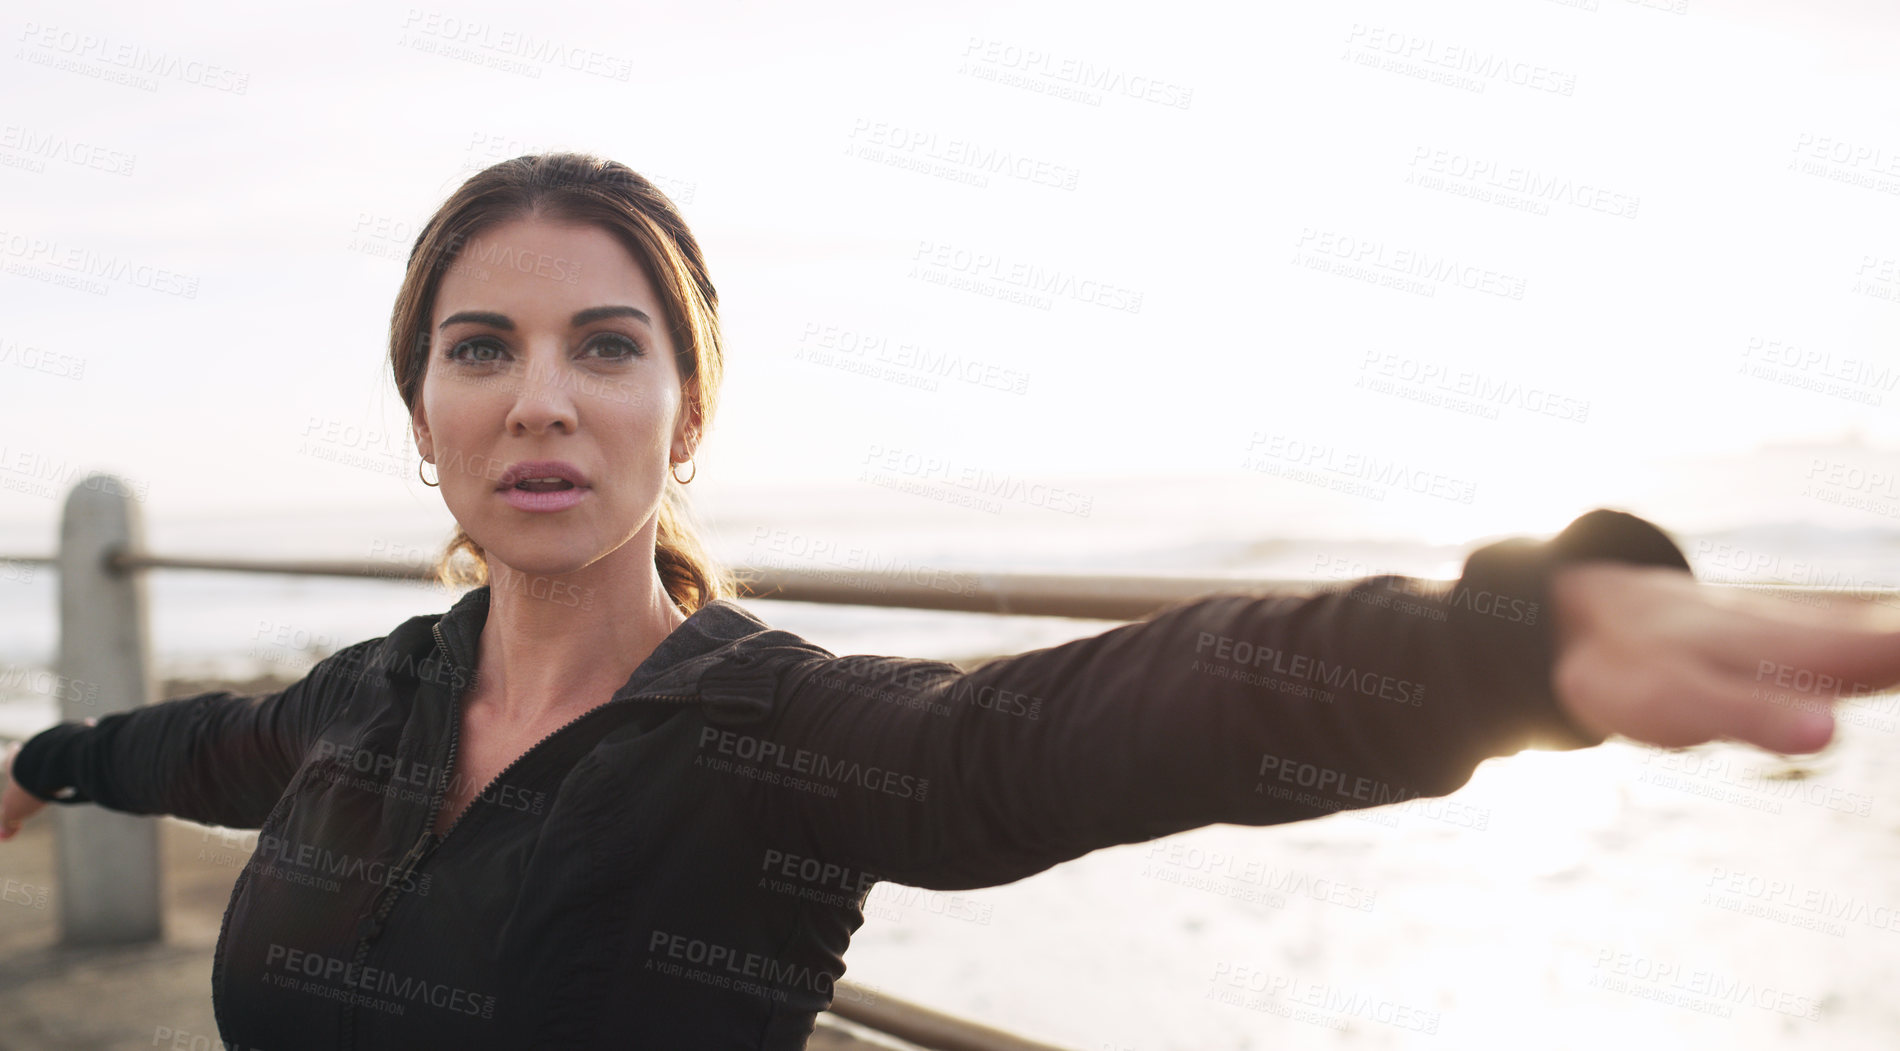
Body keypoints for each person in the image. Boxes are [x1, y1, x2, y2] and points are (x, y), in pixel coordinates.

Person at [3, 152, 1895, 1050]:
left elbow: (1053, 735)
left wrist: (1516, 639)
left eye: (609, 345)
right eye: (481, 348)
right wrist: (44, 760)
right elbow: (198, 745)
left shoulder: (774, 732)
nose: (544, 396)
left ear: (686, 412)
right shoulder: (367, 698)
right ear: (423, 418)